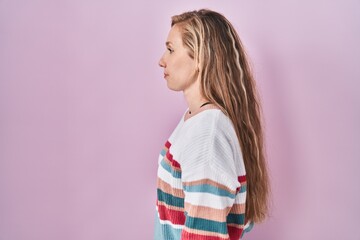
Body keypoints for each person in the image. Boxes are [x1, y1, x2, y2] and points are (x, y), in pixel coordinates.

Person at [155, 9, 270, 240]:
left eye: (170, 49)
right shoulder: (196, 119)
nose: (161, 60)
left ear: (198, 58)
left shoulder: (206, 136)